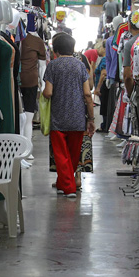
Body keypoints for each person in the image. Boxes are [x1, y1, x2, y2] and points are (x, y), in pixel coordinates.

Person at [43, 32, 96, 198]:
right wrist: (91, 118)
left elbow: (48, 92)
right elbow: (88, 94)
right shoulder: (80, 65)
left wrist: (43, 93)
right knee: (73, 155)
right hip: (78, 117)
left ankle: (69, 188)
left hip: (58, 118)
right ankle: (63, 182)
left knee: (60, 155)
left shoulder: (53, 66)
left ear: (56, 50)